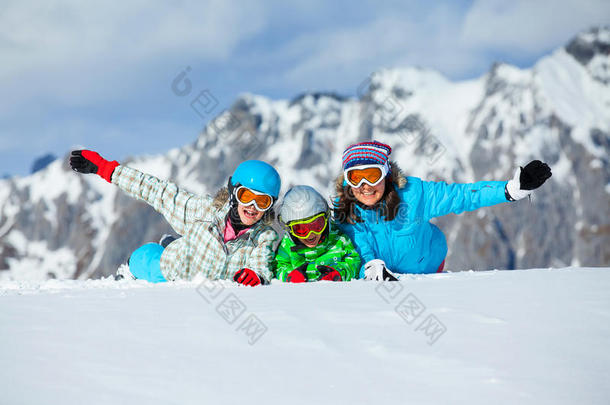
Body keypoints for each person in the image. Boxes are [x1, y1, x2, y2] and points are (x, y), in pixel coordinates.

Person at [333, 141, 552, 281]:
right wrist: (369, 268)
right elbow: (359, 250)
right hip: (384, 279)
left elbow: (462, 196)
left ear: (386, 175)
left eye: (372, 175)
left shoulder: (414, 194)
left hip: (425, 268)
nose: (365, 185)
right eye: (355, 177)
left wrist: (509, 190)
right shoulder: (346, 211)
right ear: (347, 181)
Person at [69, 150, 281, 286]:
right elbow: (156, 191)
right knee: (147, 260)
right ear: (233, 192)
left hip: (204, 291)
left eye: (262, 202)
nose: (252, 207)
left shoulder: (262, 236)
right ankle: (137, 264)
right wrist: (105, 169)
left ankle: (176, 243)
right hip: (172, 272)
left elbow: (262, 260)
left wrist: (256, 274)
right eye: (247, 196)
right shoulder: (204, 211)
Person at [275, 185, 360, 283]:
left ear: (327, 219)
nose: (311, 234)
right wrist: (290, 276)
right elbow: (279, 267)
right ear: (290, 230)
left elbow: (354, 261)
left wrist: (339, 273)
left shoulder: (339, 239)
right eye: (301, 230)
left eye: (316, 225)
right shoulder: (287, 245)